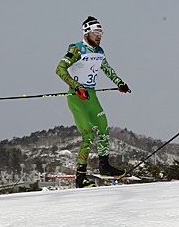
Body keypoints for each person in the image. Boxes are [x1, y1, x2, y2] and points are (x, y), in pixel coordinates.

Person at [56, 16, 131, 188]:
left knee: (104, 129)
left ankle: (104, 166)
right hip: (77, 98)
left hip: (91, 96)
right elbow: (59, 69)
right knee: (88, 135)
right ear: (86, 33)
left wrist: (119, 83)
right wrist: (76, 86)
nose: (99, 36)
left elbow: (107, 69)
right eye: (95, 33)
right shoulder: (77, 50)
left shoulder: (99, 52)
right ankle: (80, 177)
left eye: (101, 33)